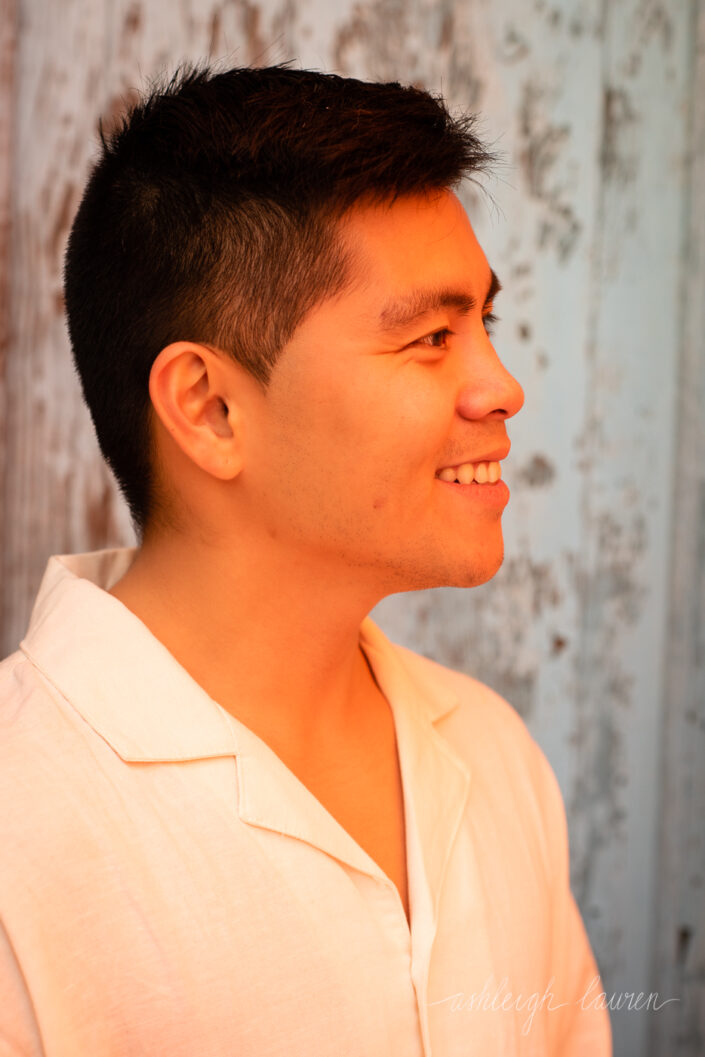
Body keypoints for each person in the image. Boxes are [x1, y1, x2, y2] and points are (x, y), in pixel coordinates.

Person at [0, 64, 611, 1056]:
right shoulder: (23, 826)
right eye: (429, 337)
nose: (501, 387)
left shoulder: (492, 755)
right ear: (210, 408)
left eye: (482, 325)